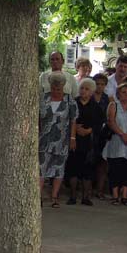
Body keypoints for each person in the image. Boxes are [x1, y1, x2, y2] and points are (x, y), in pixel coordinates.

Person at [39, 72, 78, 208]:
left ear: (63, 87)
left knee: (58, 168)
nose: (56, 91)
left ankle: (54, 197)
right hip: (43, 140)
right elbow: (37, 117)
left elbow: (73, 120)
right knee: (41, 168)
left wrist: (72, 138)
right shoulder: (43, 98)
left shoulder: (69, 100)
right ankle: (38, 196)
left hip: (62, 140)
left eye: (59, 89)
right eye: (54, 88)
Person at [66, 78, 104, 205]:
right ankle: (72, 196)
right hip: (74, 140)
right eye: (82, 88)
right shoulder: (73, 103)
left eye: (87, 89)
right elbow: (67, 119)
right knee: (73, 168)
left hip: (89, 142)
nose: (83, 91)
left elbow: (100, 123)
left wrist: (89, 130)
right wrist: (75, 129)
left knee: (87, 170)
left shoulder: (96, 107)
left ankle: (85, 197)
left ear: (92, 91)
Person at [103, 82, 127, 205]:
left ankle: (124, 196)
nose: (126, 94)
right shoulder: (114, 105)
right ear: (118, 94)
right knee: (115, 169)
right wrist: (122, 134)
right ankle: (115, 196)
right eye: (124, 92)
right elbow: (111, 122)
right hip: (116, 140)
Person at [92, 73, 110, 199]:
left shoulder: (107, 99)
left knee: (102, 162)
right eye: (97, 84)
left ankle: (99, 190)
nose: (99, 86)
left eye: (102, 84)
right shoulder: (88, 96)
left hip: (102, 134)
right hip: (89, 132)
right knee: (88, 161)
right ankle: (86, 189)